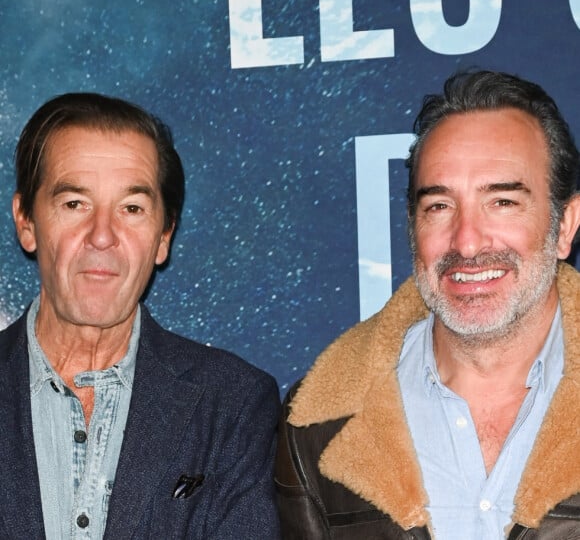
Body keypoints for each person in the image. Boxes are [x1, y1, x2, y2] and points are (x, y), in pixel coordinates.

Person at [275, 70, 580, 538]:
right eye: (439, 206)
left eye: (501, 202)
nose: (468, 242)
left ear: (564, 225)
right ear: (413, 226)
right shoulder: (317, 426)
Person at [1, 92, 281, 539]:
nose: (102, 236)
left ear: (164, 236)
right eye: (75, 203)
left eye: (131, 209)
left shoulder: (233, 406)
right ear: (26, 221)